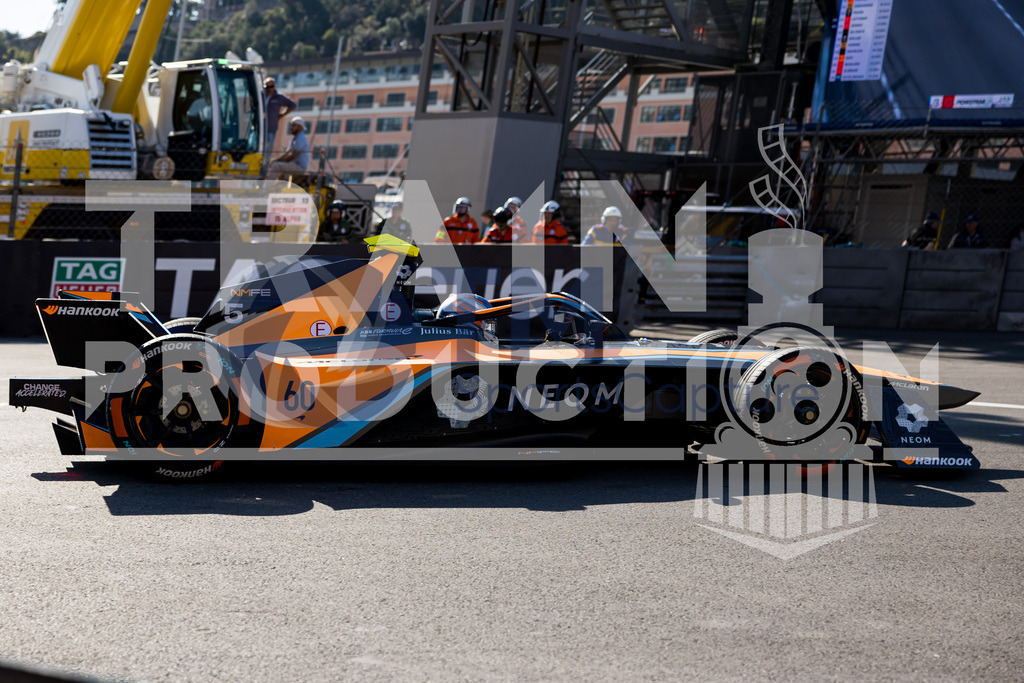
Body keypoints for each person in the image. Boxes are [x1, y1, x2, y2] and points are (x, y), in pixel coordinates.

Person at [262, 77, 296, 169]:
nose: (269, 89)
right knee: (257, 150)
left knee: (267, 152)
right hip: (259, 129)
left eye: (271, 86)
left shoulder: (279, 97)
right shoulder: (260, 95)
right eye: (267, 86)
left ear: (274, 86)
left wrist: (282, 115)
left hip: (270, 129)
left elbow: (292, 105)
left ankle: (263, 171)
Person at [266, 116, 310, 180]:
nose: (291, 127)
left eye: (294, 125)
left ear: (300, 127)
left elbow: (293, 156)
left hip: (299, 167)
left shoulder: (301, 138)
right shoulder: (293, 139)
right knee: (276, 164)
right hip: (293, 164)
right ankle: (277, 187)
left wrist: (278, 161)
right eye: (291, 125)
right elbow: (287, 153)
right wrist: (277, 160)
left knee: (276, 166)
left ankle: (267, 187)